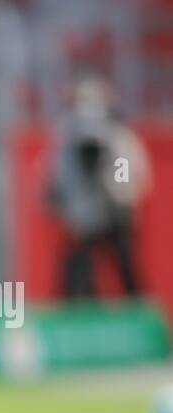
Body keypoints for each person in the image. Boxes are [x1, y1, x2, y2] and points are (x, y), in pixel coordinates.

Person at [48, 74, 151, 299]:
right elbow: (59, 181)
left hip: (115, 216)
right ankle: (81, 312)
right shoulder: (67, 146)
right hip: (85, 216)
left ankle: (137, 312)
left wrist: (116, 194)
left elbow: (128, 177)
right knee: (78, 267)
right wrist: (69, 206)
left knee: (125, 266)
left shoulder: (119, 140)